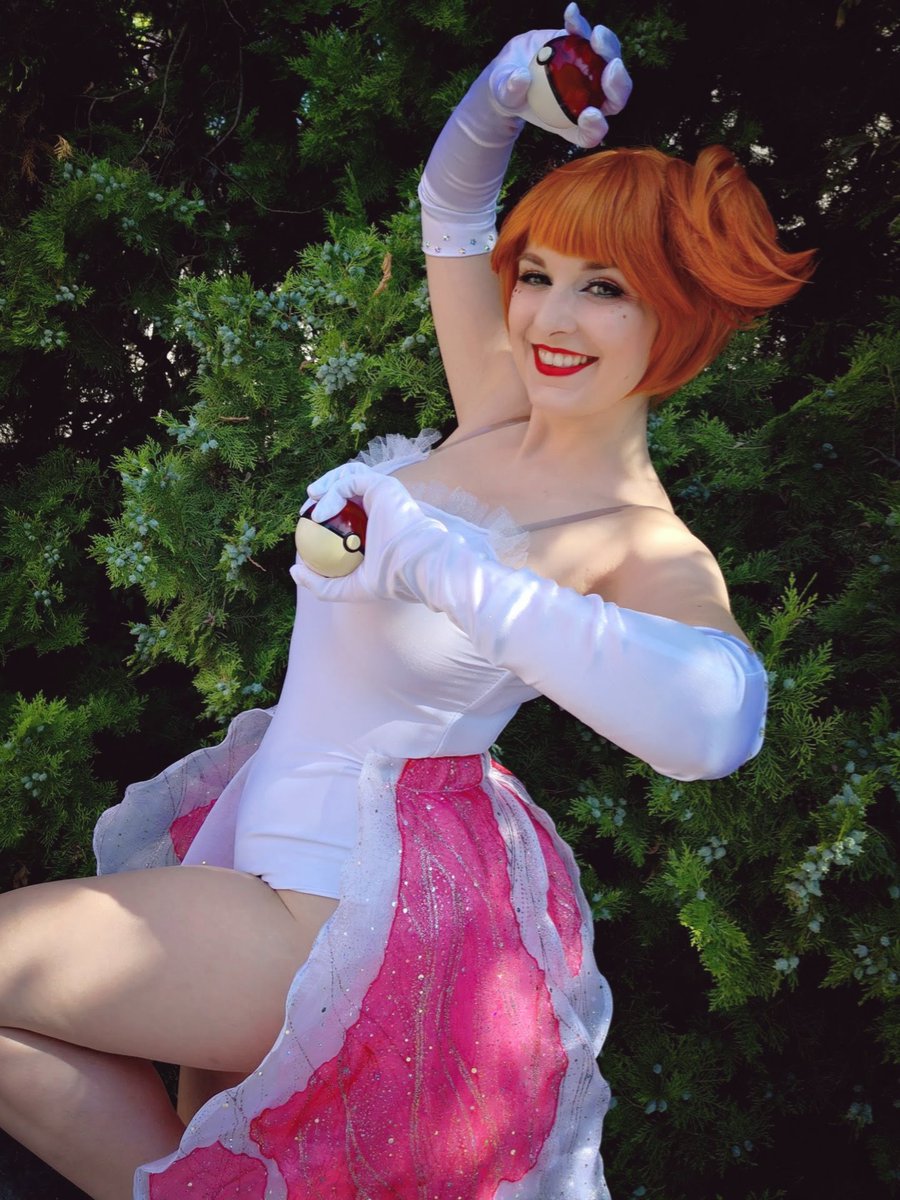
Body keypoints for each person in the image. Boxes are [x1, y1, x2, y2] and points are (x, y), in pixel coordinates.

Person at [0, 6, 813, 1198]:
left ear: (676, 315)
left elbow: (716, 723)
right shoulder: (500, 408)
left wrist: (444, 567)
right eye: (538, 277)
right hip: (258, 847)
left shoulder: (639, 542)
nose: (548, 318)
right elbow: (452, 208)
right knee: (187, 1153)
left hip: (336, 910)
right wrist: (505, 91)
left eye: (604, 289)